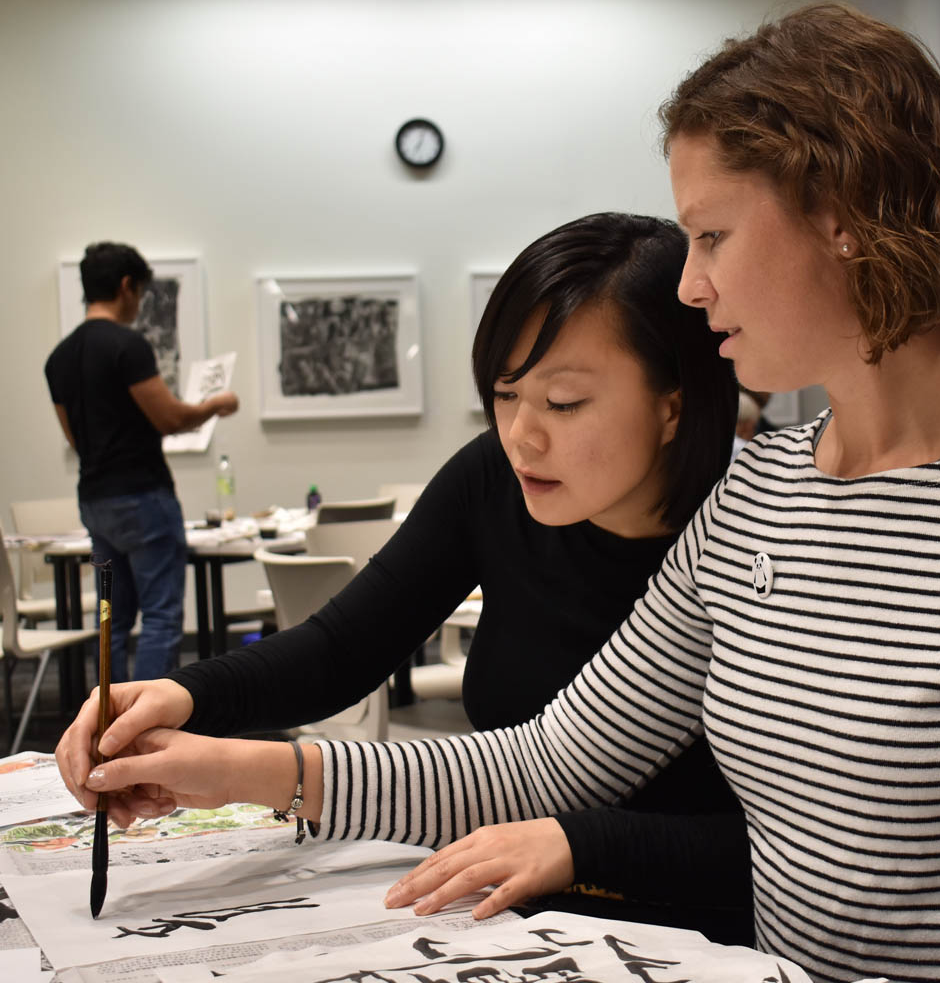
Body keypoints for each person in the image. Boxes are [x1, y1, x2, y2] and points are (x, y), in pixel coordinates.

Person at [64, 3, 940, 982]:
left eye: (713, 235)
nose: (691, 286)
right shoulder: (760, 493)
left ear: (844, 216)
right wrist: (217, 765)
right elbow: (545, 764)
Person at [55, 214, 748, 940]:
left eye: (564, 403)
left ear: (673, 404)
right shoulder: (498, 479)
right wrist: (180, 695)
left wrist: (581, 844)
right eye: (504, 393)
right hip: (506, 911)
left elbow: (774, 838)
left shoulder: (738, 536)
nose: (522, 437)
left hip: (693, 933)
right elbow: (346, 649)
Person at [44, 242, 239, 682]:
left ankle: (109, 715)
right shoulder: (127, 346)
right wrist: (216, 404)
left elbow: (75, 438)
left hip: (95, 499)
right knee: (161, 617)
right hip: (142, 496)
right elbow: (170, 418)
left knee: (112, 620)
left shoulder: (59, 358)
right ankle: (146, 719)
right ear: (127, 286)